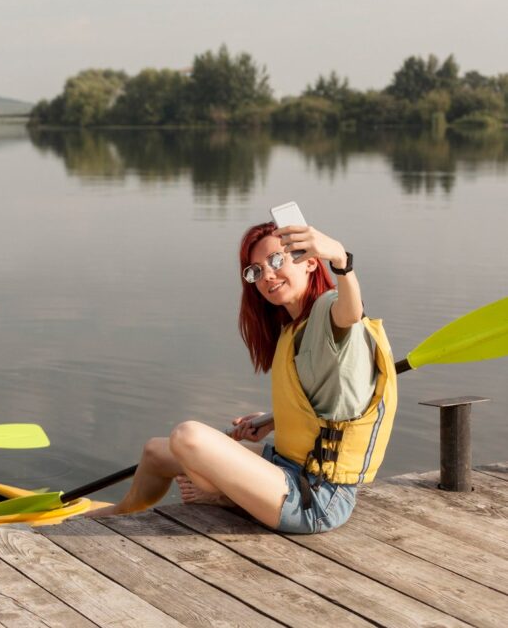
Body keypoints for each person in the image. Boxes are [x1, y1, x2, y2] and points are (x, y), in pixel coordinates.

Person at [87, 221, 397, 533]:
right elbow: (326, 404)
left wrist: (342, 262)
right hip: (287, 464)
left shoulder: (329, 309)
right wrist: (272, 421)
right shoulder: (295, 327)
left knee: (188, 437)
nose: (268, 276)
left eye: (276, 261)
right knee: (155, 451)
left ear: (310, 262)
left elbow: (350, 313)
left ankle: (220, 496)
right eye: (256, 271)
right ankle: (118, 513)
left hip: (315, 497)